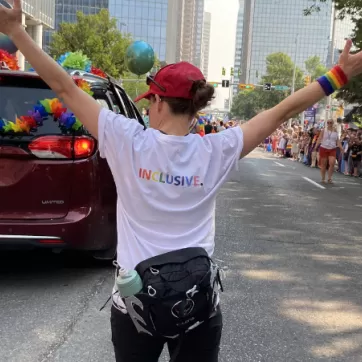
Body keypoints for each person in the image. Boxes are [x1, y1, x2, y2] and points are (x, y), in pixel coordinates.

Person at [2, 3, 362, 361]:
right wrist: (337, 76)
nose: (146, 109)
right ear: (194, 109)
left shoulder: (128, 140)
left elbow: (64, 88)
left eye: (149, 101)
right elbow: (282, 110)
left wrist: (18, 32)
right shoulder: (216, 150)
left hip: (135, 306)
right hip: (197, 305)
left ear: (159, 101)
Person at [315, 120, 344, 184]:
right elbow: (319, 138)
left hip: (332, 148)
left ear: (333, 123)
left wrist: (341, 148)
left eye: (331, 122)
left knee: (332, 163)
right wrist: (316, 146)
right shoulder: (324, 130)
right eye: (328, 122)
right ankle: (323, 178)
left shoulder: (335, 131)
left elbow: (338, 141)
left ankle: (329, 178)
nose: (329, 124)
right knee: (324, 164)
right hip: (324, 148)